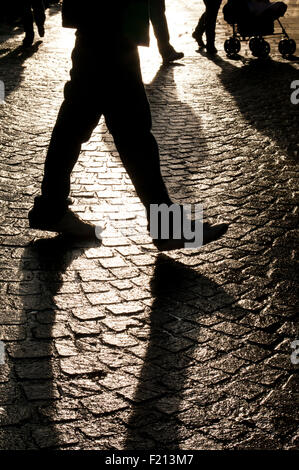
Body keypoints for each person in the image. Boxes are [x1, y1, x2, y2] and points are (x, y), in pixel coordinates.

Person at [28, 0, 228, 250]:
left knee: (79, 122)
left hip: (102, 25)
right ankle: (165, 226)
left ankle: (51, 206)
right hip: (114, 26)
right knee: (131, 131)